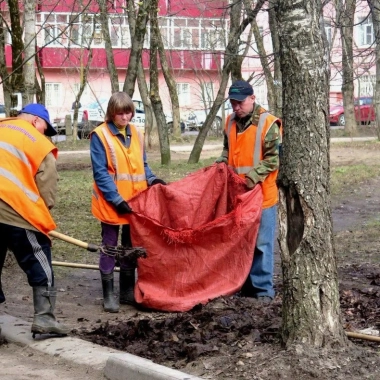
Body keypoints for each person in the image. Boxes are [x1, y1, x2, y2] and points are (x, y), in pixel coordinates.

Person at [90, 92, 166, 313]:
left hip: (135, 202)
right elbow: (101, 173)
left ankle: (125, 291)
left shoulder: (137, 133)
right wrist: (116, 199)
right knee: (111, 247)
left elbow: (142, 165)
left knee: (130, 246)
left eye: (128, 112)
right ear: (111, 114)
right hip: (111, 202)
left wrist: (152, 180)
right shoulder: (100, 135)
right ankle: (108, 295)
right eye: (120, 113)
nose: (125, 117)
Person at [0, 103, 70, 336]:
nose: (45, 134)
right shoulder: (38, 143)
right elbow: (47, 189)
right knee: (39, 260)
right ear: (34, 122)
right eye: (45, 128)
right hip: (15, 210)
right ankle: (44, 317)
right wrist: (41, 216)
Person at [216, 80, 282, 303]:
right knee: (240, 241)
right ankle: (243, 285)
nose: (236, 107)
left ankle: (263, 291)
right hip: (238, 195)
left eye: (240, 103)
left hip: (262, 194)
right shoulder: (230, 122)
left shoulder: (269, 123)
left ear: (252, 98)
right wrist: (221, 164)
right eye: (233, 103)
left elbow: (274, 159)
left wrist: (253, 177)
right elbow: (228, 150)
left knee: (262, 244)